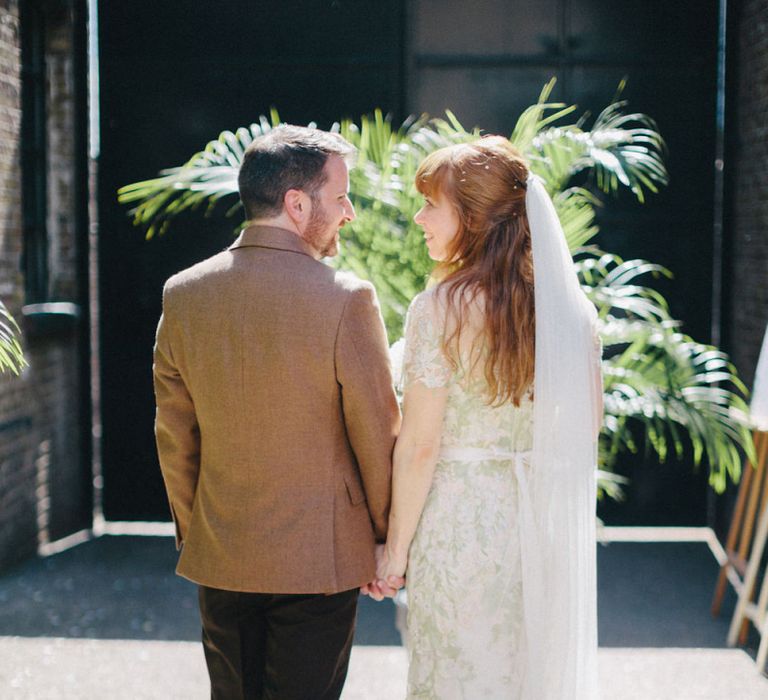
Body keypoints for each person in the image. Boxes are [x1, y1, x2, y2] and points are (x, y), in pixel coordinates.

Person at [153, 124, 402, 700]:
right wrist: (385, 541)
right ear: (297, 204)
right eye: (341, 196)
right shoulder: (346, 298)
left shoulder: (182, 294)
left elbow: (174, 435)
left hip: (222, 556)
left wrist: (200, 538)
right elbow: (377, 435)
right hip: (320, 562)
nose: (351, 212)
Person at [374, 136, 603, 699]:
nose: (419, 216)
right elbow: (586, 427)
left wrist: (394, 551)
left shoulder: (440, 310)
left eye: (433, 204)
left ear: (472, 218)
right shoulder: (573, 313)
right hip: (538, 521)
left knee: (458, 674)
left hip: (461, 526)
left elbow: (421, 445)